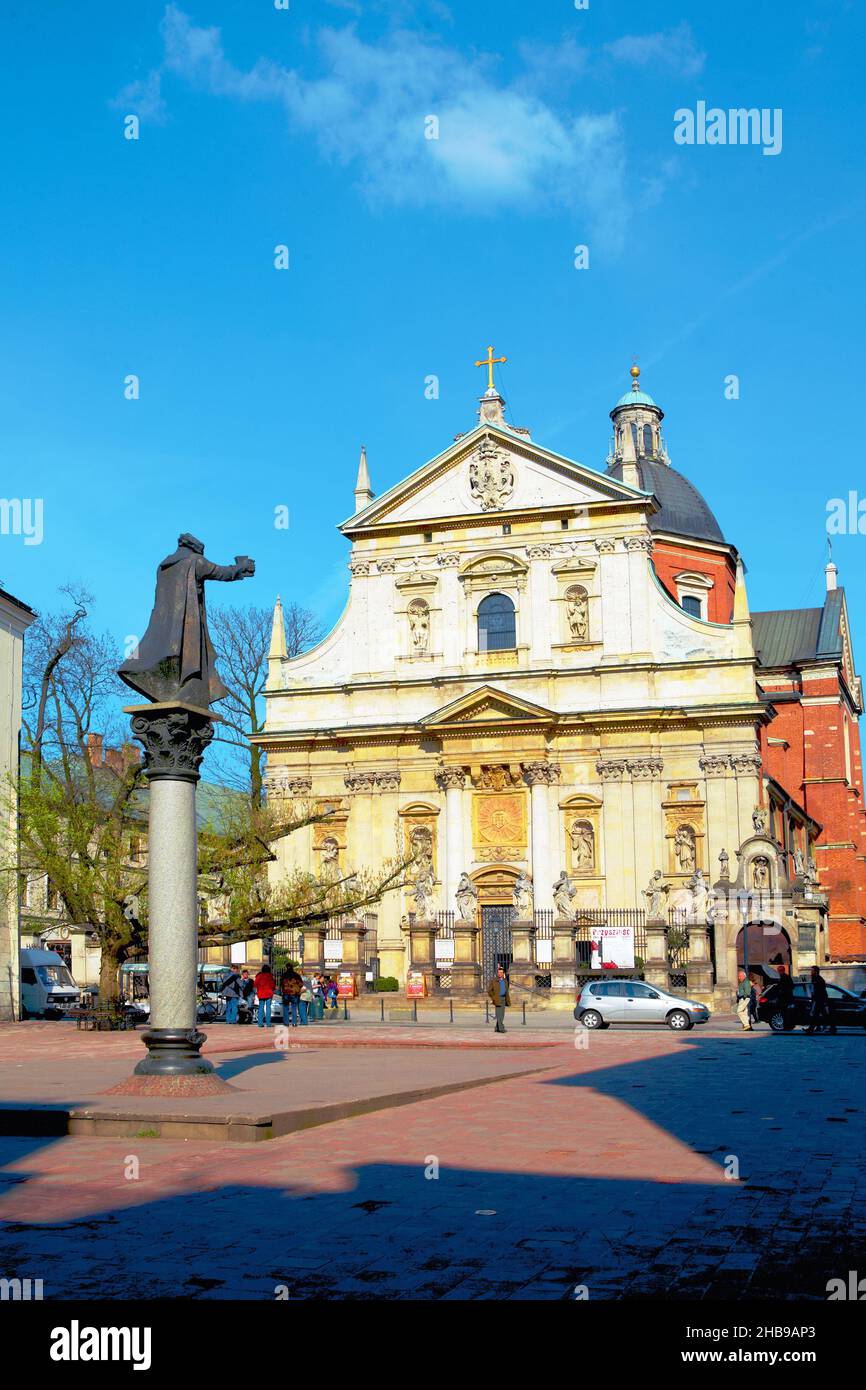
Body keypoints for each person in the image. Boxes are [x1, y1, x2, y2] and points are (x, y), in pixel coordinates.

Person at [805, 965, 836, 1035]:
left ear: (815, 972)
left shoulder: (819, 979)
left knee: (823, 1015)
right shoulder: (815, 978)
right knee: (817, 1015)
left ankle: (832, 1028)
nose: (811, 972)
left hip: (821, 1000)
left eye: (812, 971)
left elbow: (822, 991)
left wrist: (824, 1001)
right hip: (818, 1000)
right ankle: (811, 1029)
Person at [487, 964, 511, 1034]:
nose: (500, 974)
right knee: (498, 1014)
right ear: (497, 973)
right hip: (497, 999)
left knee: (502, 1014)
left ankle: (497, 1027)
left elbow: (506, 990)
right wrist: (493, 997)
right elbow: (489, 990)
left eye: (501, 972)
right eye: (499, 972)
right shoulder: (494, 980)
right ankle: (501, 1028)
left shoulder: (505, 981)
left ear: (503, 973)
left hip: (503, 998)